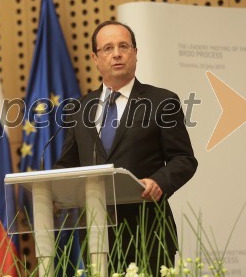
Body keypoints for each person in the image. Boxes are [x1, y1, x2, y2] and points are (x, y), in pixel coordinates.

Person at [56, 20, 198, 276]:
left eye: (123, 46)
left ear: (135, 53)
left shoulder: (161, 101)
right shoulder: (81, 108)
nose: (117, 54)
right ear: (95, 58)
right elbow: (67, 164)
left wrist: (159, 182)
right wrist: (54, 190)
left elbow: (184, 159)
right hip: (99, 238)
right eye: (107, 48)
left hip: (149, 231)